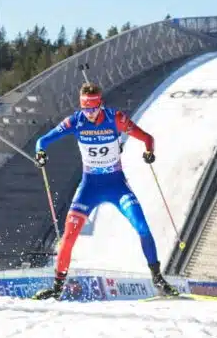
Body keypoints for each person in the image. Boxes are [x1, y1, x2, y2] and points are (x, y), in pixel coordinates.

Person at [32, 82, 178, 300]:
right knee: (68, 237)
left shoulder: (115, 118)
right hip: (89, 187)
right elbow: (42, 141)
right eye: (85, 109)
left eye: (93, 109)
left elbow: (147, 138)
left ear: (100, 104)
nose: (89, 114)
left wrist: (149, 152)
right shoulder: (76, 121)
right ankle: (57, 288)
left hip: (116, 185)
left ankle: (158, 278)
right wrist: (41, 153)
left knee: (143, 228)